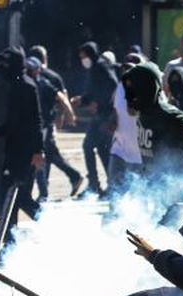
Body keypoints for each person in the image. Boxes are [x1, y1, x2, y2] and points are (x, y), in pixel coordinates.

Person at [0, 47, 44, 239]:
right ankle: (9, 245)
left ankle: (51, 224)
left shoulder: (26, 86)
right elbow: (13, 121)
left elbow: (36, 120)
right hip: (14, 149)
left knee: (18, 196)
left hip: (24, 152)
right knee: (11, 199)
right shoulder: (16, 85)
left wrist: (38, 151)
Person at [121, 62, 183, 176]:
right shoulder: (141, 114)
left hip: (175, 189)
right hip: (154, 188)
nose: (128, 96)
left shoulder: (169, 116)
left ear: (148, 88)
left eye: (134, 90)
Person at [26, 52, 83, 199]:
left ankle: (44, 192)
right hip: (40, 126)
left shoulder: (43, 83)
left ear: (38, 69)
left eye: (31, 68)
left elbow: (62, 96)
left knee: (40, 156)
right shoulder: (30, 83)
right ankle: (73, 176)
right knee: (49, 156)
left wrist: (68, 114)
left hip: (44, 126)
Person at [72, 41, 118, 196]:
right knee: (102, 149)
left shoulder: (101, 66)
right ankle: (110, 184)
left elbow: (112, 85)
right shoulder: (94, 68)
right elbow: (93, 91)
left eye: (83, 56)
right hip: (101, 115)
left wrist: (99, 102)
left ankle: (94, 183)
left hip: (105, 115)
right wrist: (84, 100)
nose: (82, 59)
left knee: (89, 146)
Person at [107, 61, 143, 196]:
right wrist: (112, 121)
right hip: (120, 147)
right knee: (114, 186)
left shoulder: (147, 89)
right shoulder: (119, 88)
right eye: (125, 70)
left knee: (137, 192)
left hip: (139, 152)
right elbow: (116, 110)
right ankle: (113, 214)